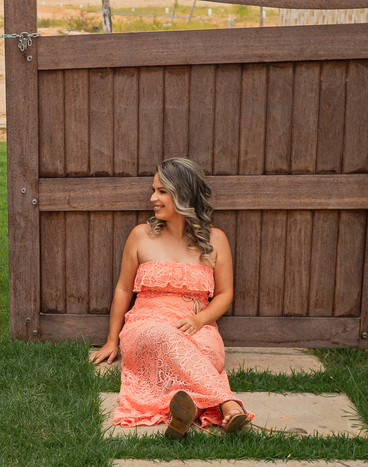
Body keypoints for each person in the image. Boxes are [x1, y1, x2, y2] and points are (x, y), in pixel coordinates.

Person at [91, 157, 252, 438]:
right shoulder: (141, 236)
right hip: (147, 326)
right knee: (166, 337)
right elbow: (123, 289)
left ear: (184, 194)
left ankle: (182, 415)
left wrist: (201, 319)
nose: (153, 198)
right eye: (154, 190)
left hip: (198, 325)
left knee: (207, 352)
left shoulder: (216, 240)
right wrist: (112, 339)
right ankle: (228, 404)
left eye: (162, 191)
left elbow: (225, 294)